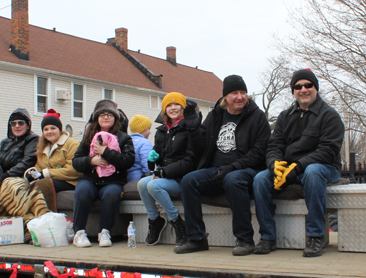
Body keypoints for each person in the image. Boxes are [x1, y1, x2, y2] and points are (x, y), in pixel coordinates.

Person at [175, 75, 271, 255]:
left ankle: (244, 239)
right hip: (216, 170)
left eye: (243, 92)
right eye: (235, 93)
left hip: (247, 170)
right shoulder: (215, 116)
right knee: (189, 181)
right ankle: (196, 239)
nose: (240, 97)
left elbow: (260, 151)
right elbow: (199, 150)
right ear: (225, 97)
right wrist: (194, 129)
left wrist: (233, 167)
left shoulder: (257, 116)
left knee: (233, 179)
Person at [253, 69, 344, 257]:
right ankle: (268, 237)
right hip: (291, 170)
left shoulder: (329, 115)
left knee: (313, 171)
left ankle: (315, 235)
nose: (303, 89)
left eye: (308, 85)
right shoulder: (285, 116)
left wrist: (297, 167)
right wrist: (274, 165)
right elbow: (274, 145)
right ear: (293, 91)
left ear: (315, 88)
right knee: (260, 179)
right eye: (298, 86)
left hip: (324, 168)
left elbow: (327, 151)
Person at [138, 92, 200, 246]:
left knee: (153, 185)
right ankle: (155, 220)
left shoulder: (190, 128)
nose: (173, 108)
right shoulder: (161, 131)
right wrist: (153, 159)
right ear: (164, 109)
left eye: (177, 104)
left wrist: (164, 172)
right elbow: (158, 158)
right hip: (164, 175)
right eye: (169, 105)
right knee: (141, 184)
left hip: (181, 179)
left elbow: (190, 160)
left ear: (183, 107)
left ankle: (177, 221)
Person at [72, 99, 135, 248]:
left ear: (115, 118)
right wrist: (91, 161)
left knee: (112, 194)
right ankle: (79, 232)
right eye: (102, 115)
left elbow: (128, 161)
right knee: (82, 190)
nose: (106, 117)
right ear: (97, 118)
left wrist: (106, 152)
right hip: (91, 179)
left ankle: (105, 232)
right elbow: (76, 161)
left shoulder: (124, 138)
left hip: (113, 181)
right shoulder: (89, 138)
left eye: (109, 115)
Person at [0, 108, 39, 199]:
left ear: (27, 125)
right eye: (13, 123)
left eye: (21, 123)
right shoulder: (5, 142)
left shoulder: (33, 140)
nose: (17, 126)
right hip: (3, 178)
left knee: (8, 187)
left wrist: (1, 179)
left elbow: (26, 163)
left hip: (21, 179)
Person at [26, 109, 81, 192]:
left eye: (53, 128)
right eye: (46, 129)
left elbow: (73, 170)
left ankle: (45, 205)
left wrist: (45, 173)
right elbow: (39, 165)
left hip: (70, 182)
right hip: (50, 179)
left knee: (43, 185)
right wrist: (32, 172)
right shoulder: (42, 146)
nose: (49, 132)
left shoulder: (72, 144)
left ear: (59, 129)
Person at [127, 115, 153, 182]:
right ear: (142, 129)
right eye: (149, 129)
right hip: (139, 179)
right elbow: (146, 164)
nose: (150, 132)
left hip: (126, 178)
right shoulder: (145, 142)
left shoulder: (126, 141)